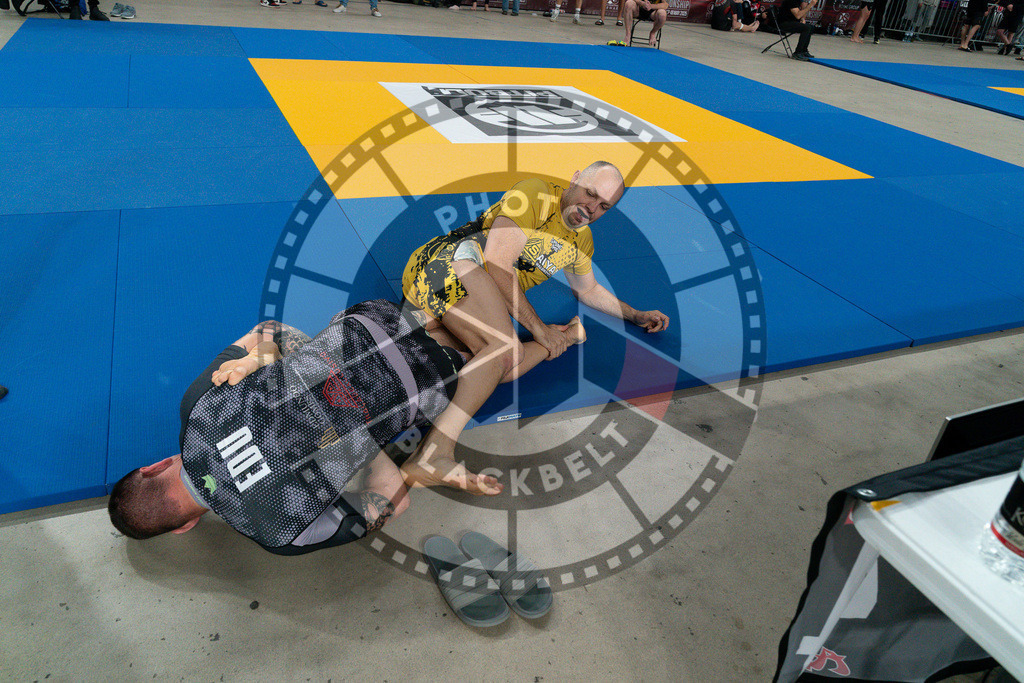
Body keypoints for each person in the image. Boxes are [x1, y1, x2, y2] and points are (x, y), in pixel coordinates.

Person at [107, 299, 498, 555]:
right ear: (154, 466)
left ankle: (524, 347)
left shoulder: (280, 534)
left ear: (186, 526)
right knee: (453, 312)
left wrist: (352, 441)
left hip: (430, 386)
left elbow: (394, 499)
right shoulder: (196, 408)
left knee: (495, 355)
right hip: (373, 322)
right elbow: (271, 331)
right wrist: (301, 367)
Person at [400, 162, 669, 487]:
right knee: (503, 352)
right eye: (590, 194)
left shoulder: (581, 241)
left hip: (472, 299)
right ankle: (433, 456)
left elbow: (589, 290)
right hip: (448, 264)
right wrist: (540, 328)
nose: (591, 208)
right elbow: (498, 265)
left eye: (603, 206)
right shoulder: (535, 195)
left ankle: (562, 337)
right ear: (574, 179)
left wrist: (636, 315)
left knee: (486, 366)